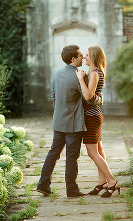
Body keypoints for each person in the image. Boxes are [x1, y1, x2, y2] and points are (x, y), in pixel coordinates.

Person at [36, 45, 88, 198]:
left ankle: (43, 185)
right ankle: (71, 190)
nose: (82, 58)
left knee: (53, 153)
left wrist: (60, 110)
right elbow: (87, 98)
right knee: (72, 157)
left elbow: (53, 96)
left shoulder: (57, 73)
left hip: (58, 121)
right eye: (80, 56)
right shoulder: (80, 75)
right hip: (73, 123)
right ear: (73, 59)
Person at [76, 45, 120, 198]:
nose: (85, 58)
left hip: (92, 117)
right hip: (94, 115)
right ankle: (102, 182)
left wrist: (81, 79)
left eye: (87, 55)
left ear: (93, 57)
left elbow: (88, 96)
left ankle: (112, 181)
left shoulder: (94, 73)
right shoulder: (95, 72)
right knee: (99, 151)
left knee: (92, 152)